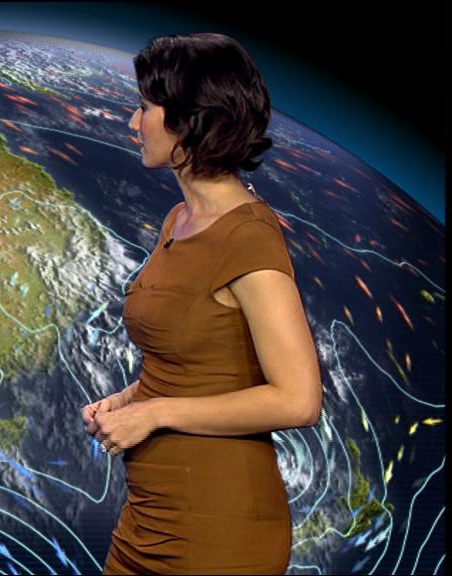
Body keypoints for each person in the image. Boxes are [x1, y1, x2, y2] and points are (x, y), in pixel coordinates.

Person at [79, 33, 323, 574]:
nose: (133, 122)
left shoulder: (248, 238)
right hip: (150, 518)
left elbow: (299, 400)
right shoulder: (179, 221)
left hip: (218, 530)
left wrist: (155, 413)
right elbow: (195, 365)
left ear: (190, 121)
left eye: (145, 108)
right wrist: (128, 401)